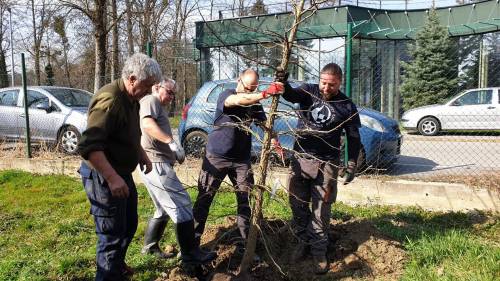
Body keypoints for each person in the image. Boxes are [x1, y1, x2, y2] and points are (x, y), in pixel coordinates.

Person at [77, 53, 162, 281]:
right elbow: (89, 145)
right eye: (146, 86)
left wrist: (141, 154)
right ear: (132, 79)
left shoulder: (132, 99)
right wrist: (112, 177)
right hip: (103, 175)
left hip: (121, 173)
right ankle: (108, 273)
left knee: (129, 225)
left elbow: (128, 134)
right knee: (111, 236)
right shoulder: (111, 100)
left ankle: (116, 267)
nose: (149, 91)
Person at [277, 63, 361, 274]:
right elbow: (291, 95)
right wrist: (284, 82)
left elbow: (354, 138)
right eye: (323, 83)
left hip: (327, 164)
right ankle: (302, 241)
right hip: (301, 159)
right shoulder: (308, 91)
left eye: (331, 85)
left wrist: (351, 164)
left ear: (340, 82)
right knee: (297, 205)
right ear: (320, 79)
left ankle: (318, 251)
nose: (325, 88)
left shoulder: (347, 106)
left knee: (321, 210)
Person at [192, 69, 283, 252]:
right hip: (217, 156)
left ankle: (244, 245)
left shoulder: (254, 103)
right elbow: (238, 101)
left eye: (254, 89)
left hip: (241, 160)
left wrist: (274, 140)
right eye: (248, 88)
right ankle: (191, 245)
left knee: (245, 201)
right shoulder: (227, 95)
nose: (250, 92)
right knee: (204, 199)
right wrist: (264, 93)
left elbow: (265, 124)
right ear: (238, 80)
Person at [138, 78, 216, 265]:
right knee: (183, 206)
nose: (172, 97)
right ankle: (190, 255)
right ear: (157, 87)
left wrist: (174, 151)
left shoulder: (157, 105)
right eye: (170, 92)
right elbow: (147, 125)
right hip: (157, 165)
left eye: (174, 94)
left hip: (156, 163)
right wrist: (171, 143)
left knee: (163, 209)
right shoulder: (151, 100)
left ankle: (149, 247)